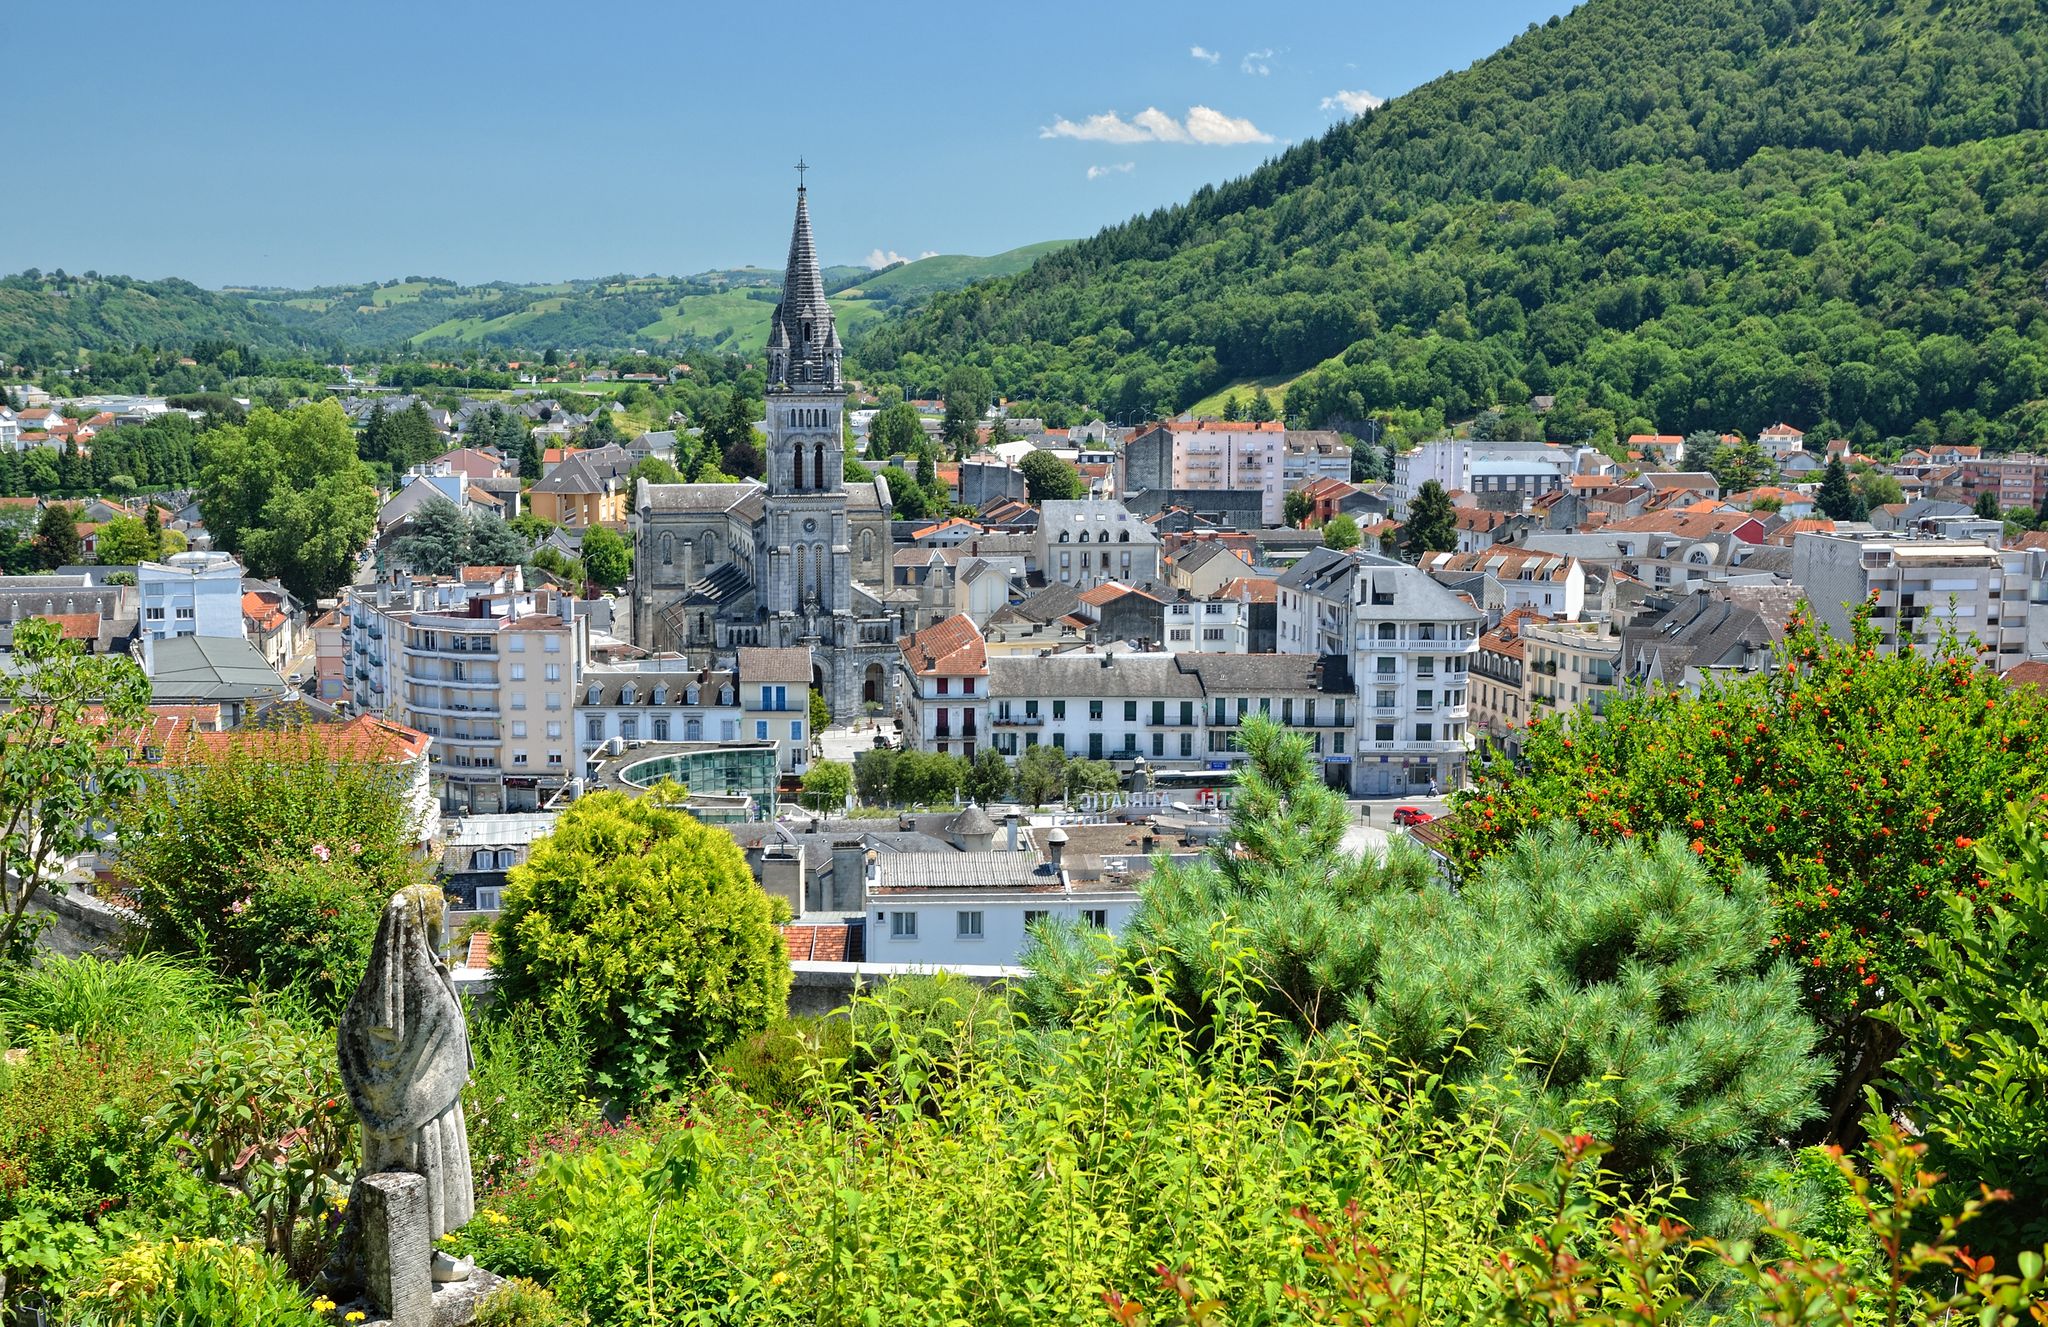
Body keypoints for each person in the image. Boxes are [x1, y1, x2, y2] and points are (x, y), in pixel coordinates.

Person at [338, 885, 475, 1281]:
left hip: (383, 1112)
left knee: (382, 1183)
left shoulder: (372, 990)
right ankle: (422, 1260)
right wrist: (419, 1090)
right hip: (427, 1112)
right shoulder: (430, 985)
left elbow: (348, 1036)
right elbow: (450, 1046)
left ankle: (375, 1261)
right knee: (421, 1184)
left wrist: (378, 1090)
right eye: (437, 917)